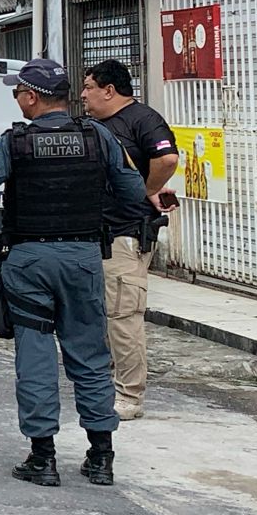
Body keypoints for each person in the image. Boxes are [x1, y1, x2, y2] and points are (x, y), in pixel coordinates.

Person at [0, 60, 149, 488]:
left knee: (36, 356)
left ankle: (43, 459)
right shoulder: (99, 136)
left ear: (31, 97)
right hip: (83, 258)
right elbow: (134, 193)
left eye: (17, 93)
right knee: (91, 357)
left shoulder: (13, 142)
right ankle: (101, 458)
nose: (17, 101)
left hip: (30, 260)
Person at [81, 60, 179, 420]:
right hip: (95, 234)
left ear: (109, 90)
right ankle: (105, 385)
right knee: (100, 314)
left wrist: (144, 191)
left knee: (123, 316)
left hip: (125, 235)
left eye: (89, 87)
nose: (83, 94)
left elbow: (166, 158)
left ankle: (129, 396)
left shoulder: (142, 119)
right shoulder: (95, 125)